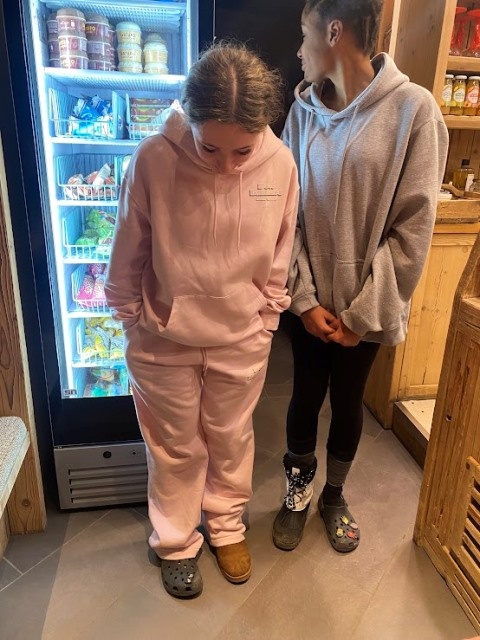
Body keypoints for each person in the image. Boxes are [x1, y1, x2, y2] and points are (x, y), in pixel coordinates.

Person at [105, 42, 299, 598]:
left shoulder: (281, 164)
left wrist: (266, 320)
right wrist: (131, 321)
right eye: (210, 146)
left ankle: (226, 525)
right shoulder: (152, 159)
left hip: (242, 336)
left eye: (242, 151)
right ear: (188, 118)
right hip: (161, 338)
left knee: (232, 438)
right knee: (175, 446)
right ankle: (175, 540)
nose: (226, 165)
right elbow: (127, 250)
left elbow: (281, 252)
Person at [272, 0, 449, 554]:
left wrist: (363, 315)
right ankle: (297, 494)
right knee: (304, 396)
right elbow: (283, 215)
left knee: (348, 402)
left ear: (334, 31)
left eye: (304, 33)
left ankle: (333, 495)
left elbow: (413, 227)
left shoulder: (414, 111)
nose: (298, 50)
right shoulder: (300, 114)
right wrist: (303, 300)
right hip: (309, 305)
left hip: (364, 311)